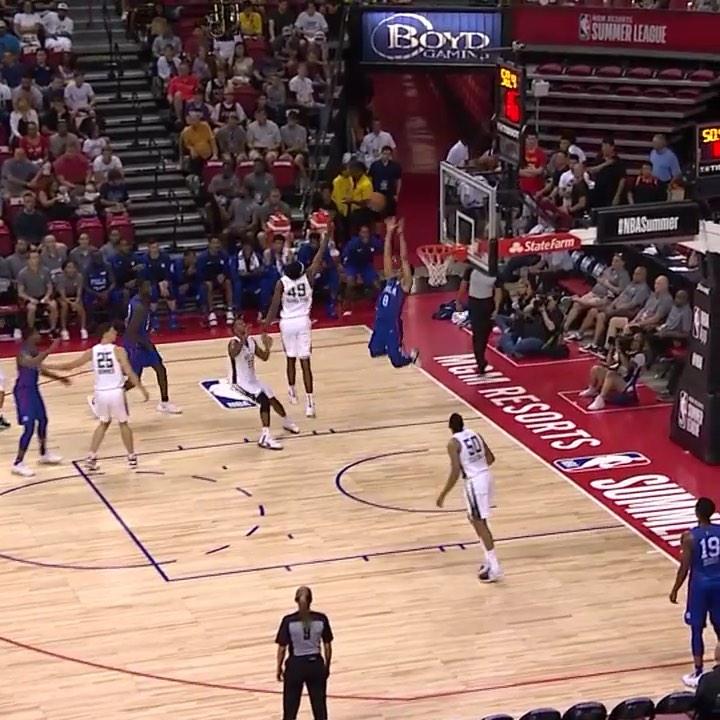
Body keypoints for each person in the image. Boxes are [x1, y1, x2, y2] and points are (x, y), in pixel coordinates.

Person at [44, 322, 149, 471]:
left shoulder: (92, 351)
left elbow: (71, 365)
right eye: (112, 331)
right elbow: (129, 372)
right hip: (116, 392)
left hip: (100, 393)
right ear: (105, 333)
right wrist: (141, 388)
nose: (115, 334)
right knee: (123, 423)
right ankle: (131, 457)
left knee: (103, 423)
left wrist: (49, 366)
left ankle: (91, 457)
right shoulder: (119, 351)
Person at [265, 226, 329, 417]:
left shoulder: (282, 282)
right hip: (302, 322)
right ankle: (310, 403)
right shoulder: (308, 278)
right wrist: (325, 240)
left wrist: (265, 326)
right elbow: (318, 258)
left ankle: (292, 390)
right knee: (305, 362)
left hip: (286, 323)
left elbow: (274, 306)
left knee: (290, 359)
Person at [436, 412, 502, 582]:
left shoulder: (453, 443)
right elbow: (491, 458)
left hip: (474, 482)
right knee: (475, 519)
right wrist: (477, 465)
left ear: (450, 427)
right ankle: (488, 561)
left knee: (479, 523)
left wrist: (443, 494)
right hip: (486, 477)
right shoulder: (475, 434)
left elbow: (455, 472)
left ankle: (495, 567)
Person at [669, 497, 720, 688]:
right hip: (719, 583)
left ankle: (698, 672)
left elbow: (685, 567)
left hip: (700, 586)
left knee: (697, 629)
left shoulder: (689, 537)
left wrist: (675, 589)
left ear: (697, 512)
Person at [228, 317, 299, 450]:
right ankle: (265, 437)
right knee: (264, 401)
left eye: (243, 323)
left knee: (272, 398)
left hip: (253, 380)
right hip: (240, 382)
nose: (243, 325)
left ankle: (286, 421)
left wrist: (267, 347)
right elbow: (234, 353)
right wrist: (244, 338)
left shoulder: (251, 341)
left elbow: (264, 357)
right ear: (234, 329)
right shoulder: (233, 342)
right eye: (240, 324)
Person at [11, 330, 68, 477]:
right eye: (36, 333)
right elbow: (33, 363)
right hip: (23, 392)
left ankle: (43, 454)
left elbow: (40, 369)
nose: (39, 335)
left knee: (43, 420)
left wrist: (59, 378)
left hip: (33, 390)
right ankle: (18, 463)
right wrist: (50, 349)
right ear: (29, 336)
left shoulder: (34, 351)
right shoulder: (22, 353)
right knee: (29, 427)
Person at [123, 281, 181, 414]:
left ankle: (165, 402)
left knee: (160, 369)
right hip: (137, 345)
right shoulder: (139, 307)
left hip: (140, 341)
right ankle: (102, 398)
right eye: (147, 288)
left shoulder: (140, 301)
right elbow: (131, 331)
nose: (150, 290)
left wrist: (148, 329)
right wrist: (146, 345)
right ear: (140, 289)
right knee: (135, 380)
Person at [275, 586, 333, 720]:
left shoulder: (288, 621)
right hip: (315, 665)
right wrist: (327, 666)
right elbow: (327, 645)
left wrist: (279, 667)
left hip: (295, 666)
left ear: (296, 600)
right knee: (319, 708)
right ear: (311, 600)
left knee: (290, 708)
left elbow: (282, 648)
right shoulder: (321, 619)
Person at [368, 218, 418, 367]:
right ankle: (393, 348)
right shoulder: (390, 279)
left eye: (403, 269)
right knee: (374, 351)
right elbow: (386, 256)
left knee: (396, 362)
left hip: (392, 324)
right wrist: (389, 232)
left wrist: (401, 235)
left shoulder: (405, 286)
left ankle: (411, 357)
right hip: (380, 322)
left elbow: (404, 258)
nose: (400, 269)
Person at [579, 331, 646, 411]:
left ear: (641, 344)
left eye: (636, 341)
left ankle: (600, 399)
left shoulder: (640, 356)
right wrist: (612, 348)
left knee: (611, 374)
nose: (633, 342)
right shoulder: (626, 351)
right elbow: (609, 363)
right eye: (633, 340)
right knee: (596, 369)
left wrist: (620, 351)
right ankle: (593, 389)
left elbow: (627, 366)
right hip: (618, 378)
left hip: (626, 385)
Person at [456, 264, 502, 375]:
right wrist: (458, 300)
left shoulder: (495, 272)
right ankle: (480, 361)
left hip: (487, 304)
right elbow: (463, 285)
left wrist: (496, 308)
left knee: (485, 334)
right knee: (477, 334)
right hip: (475, 303)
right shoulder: (471, 269)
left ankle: (481, 359)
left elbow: (498, 291)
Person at [341, 223, 382, 315]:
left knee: (377, 284)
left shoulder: (373, 241)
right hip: (352, 264)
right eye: (363, 232)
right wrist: (344, 266)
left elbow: (381, 248)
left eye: (367, 232)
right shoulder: (353, 243)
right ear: (359, 233)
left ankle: (378, 302)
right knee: (350, 283)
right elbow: (344, 256)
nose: (365, 234)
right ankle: (347, 304)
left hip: (366, 265)